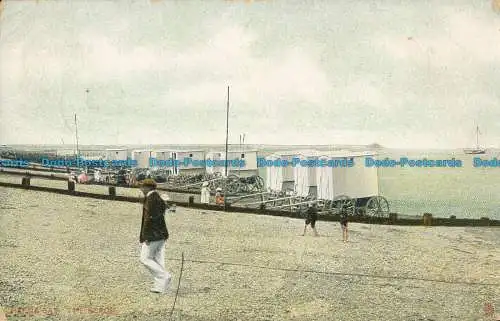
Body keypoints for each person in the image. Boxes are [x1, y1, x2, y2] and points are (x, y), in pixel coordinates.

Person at [139, 178, 171, 294]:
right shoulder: (158, 198)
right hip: (161, 234)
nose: (141, 189)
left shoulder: (150, 199)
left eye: (142, 187)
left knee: (145, 258)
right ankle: (160, 286)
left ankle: (164, 276)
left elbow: (149, 219)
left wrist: (146, 236)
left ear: (147, 188)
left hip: (153, 234)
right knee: (157, 259)